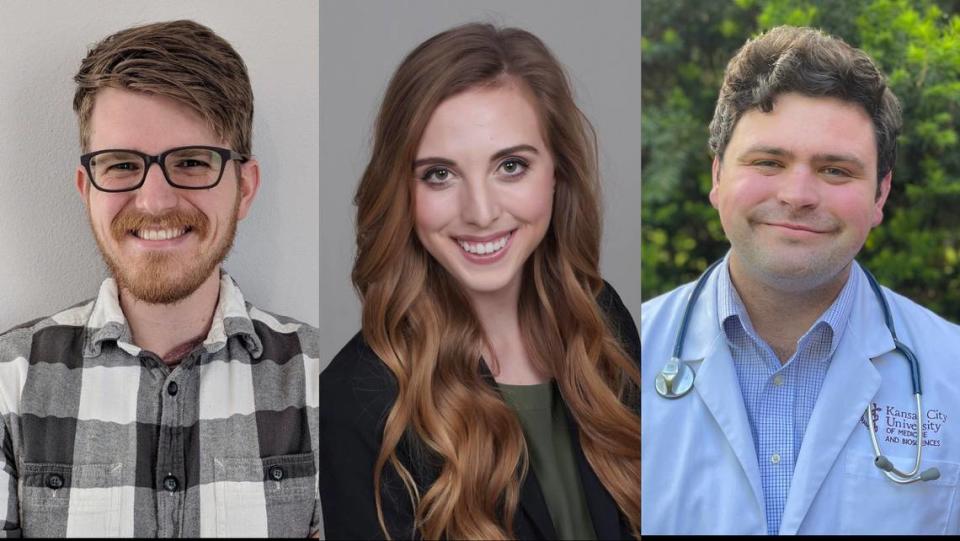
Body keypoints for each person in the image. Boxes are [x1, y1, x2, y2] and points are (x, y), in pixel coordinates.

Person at [319, 23, 640, 540]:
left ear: (557, 173)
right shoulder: (356, 403)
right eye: (439, 174)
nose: (481, 211)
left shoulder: (603, 320)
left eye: (511, 166)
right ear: (402, 189)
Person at [0, 20, 320, 537]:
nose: (154, 201)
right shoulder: (9, 383)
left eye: (191, 162)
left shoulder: (323, 383)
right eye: (123, 164)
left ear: (244, 188)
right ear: (87, 188)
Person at [641, 25, 960, 535]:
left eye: (835, 171)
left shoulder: (953, 373)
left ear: (880, 196)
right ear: (718, 177)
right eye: (769, 161)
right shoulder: (614, 356)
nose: (797, 195)